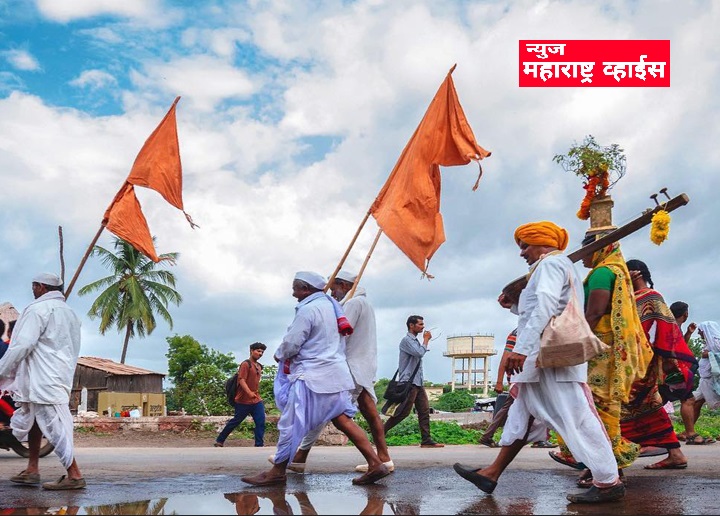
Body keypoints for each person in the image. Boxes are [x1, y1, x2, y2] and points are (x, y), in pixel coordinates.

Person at [453, 221, 624, 504]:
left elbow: (545, 306)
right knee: (522, 414)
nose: (522, 253)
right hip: (538, 359)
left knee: (577, 416)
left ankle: (608, 481)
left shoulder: (550, 265)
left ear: (542, 243)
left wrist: (520, 349)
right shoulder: (553, 267)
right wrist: (514, 305)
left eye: (524, 246)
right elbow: (541, 306)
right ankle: (491, 473)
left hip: (552, 360)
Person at [241, 271, 390, 486]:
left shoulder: (310, 309)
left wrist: (279, 354)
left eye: (295, 289)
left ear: (306, 289)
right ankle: (376, 463)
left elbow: (293, 342)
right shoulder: (333, 307)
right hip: (336, 374)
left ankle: (277, 471)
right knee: (342, 420)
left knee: (291, 422)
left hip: (313, 377)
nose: (294, 294)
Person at [552, 234, 653, 483]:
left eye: (586, 251)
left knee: (596, 409)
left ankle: (606, 468)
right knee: (602, 408)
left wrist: (575, 343)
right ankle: (603, 465)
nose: (582, 257)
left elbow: (595, 312)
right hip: (606, 350)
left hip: (599, 350)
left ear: (598, 249)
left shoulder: (601, 273)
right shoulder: (613, 270)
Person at [285, 270, 393, 473]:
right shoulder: (363, 303)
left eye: (334, 288)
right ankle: (384, 458)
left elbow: (339, 333)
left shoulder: (352, 304)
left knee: (331, 410)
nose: (332, 293)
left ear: (344, 285)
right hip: (364, 365)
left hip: (351, 365)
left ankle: (299, 456)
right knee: (370, 413)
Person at [0, 273, 85, 490]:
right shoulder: (70, 313)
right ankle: (32, 469)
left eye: (34, 286)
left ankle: (74, 475)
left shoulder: (38, 310)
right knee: (37, 420)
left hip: (43, 378)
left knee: (55, 425)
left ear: (41, 287)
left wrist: (2, 371)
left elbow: (22, 345)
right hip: (57, 374)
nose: (32, 290)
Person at [622, 259, 694, 469]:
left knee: (622, 405)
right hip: (629, 362)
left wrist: (667, 362)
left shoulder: (652, 297)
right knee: (649, 406)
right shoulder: (626, 299)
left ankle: (605, 460)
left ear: (636, 273)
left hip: (643, 364)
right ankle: (675, 453)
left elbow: (666, 331)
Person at [478, 329, 556, 449]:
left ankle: (536, 438)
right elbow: (506, 357)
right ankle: (533, 439)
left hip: (527, 376)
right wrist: (499, 381)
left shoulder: (530, 330)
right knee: (530, 407)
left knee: (518, 408)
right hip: (523, 377)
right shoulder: (520, 333)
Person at [382, 315, 444, 448]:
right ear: (411, 325)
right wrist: (426, 340)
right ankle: (380, 433)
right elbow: (419, 353)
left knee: (424, 410)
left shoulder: (415, 341)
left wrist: (423, 341)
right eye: (420, 324)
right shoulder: (406, 341)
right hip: (409, 383)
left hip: (417, 382)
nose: (423, 327)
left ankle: (426, 440)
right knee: (403, 413)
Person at [214, 342, 267, 448]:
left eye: (262, 352)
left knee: (261, 422)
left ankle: (259, 445)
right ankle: (220, 440)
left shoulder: (259, 366)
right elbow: (241, 380)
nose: (260, 354)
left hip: (256, 400)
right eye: (258, 351)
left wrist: (254, 394)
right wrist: (249, 393)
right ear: (251, 351)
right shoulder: (245, 364)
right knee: (235, 421)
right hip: (243, 400)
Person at [669, 301, 701, 442]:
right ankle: (690, 433)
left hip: (674, 370)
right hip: (675, 371)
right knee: (688, 400)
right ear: (686, 314)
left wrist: (688, 333)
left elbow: (681, 346)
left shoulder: (674, 327)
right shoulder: (673, 327)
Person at [685, 321, 720, 443]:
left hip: (714, 380)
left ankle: (689, 431)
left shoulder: (717, 343)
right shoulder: (708, 343)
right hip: (705, 380)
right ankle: (689, 431)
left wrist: (709, 354)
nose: (699, 333)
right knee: (694, 402)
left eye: (700, 331)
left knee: (694, 402)